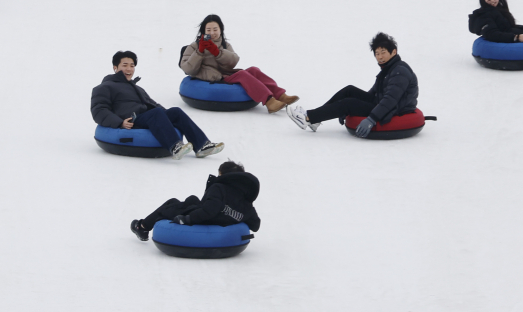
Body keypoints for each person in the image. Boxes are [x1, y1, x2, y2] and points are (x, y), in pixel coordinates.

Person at [91, 51, 225, 159]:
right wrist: (119, 122)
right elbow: (99, 110)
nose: (129, 69)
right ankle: (175, 147)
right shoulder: (104, 87)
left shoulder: (137, 88)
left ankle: (202, 146)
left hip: (148, 116)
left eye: (132, 65)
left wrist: (166, 116)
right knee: (156, 113)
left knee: (175, 112)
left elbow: (152, 104)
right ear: (115, 68)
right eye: (125, 65)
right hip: (132, 119)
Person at [287, 33, 417, 137]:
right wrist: (358, 103)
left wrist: (371, 119)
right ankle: (315, 119)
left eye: (383, 52)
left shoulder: (400, 71)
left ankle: (309, 117)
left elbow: (390, 100)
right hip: (381, 102)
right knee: (349, 91)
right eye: (377, 53)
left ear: (393, 52)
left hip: (396, 108)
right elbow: (373, 93)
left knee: (348, 103)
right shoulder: (388, 69)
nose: (380, 57)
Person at [179, 14, 298, 113]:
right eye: (209, 30)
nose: (212, 33)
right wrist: (199, 52)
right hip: (213, 77)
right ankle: (269, 102)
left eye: (215, 29)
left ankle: (280, 95)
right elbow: (188, 69)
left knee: (253, 70)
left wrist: (218, 52)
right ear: (204, 31)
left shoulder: (225, 45)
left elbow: (233, 62)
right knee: (242, 75)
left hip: (226, 74)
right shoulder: (194, 46)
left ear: (220, 30)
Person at [129, 161, 260, 241]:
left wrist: (187, 219)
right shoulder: (246, 201)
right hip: (217, 218)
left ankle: (142, 226)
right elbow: (255, 225)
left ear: (223, 176)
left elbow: (209, 211)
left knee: (172, 203)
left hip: (204, 221)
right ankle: (144, 226)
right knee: (192, 199)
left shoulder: (219, 188)